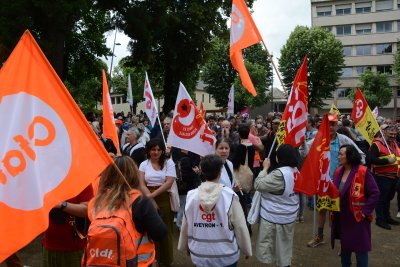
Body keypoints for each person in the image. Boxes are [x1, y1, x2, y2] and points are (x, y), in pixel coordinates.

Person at [88, 156, 167, 267]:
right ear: (134, 175)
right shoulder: (140, 202)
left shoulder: (95, 203)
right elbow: (160, 233)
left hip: (101, 262)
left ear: (107, 175)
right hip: (137, 263)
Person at [178, 154, 252, 267]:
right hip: (226, 254)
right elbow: (240, 225)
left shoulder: (191, 196)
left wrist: (185, 245)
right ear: (220, 172)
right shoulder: (229, 195)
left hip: (200, 253)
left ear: (201, 171)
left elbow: (186, 223)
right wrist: (247, 249)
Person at [305, 114, 365, 247]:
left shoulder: (343, 139)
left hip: (341, 183)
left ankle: (344, 240)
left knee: (341, 212)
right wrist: (301, 143)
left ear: (337, 126)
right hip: (324, 183)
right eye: (328, 125)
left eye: (333, 125)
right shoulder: (318, 139)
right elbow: (304, 152)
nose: (330, 127)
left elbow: (360, 154)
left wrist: (353, 169)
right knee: (322, 210)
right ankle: (320, 237)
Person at [331, 145, 379, 267]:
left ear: (350, 156)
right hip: (342, 218)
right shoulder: (338, 171)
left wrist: (365, 212)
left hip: (358, 218)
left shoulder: (363, 171)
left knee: (360, 250)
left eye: (341, 154)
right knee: (345, 250)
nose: (339, 156)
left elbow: (375, 193)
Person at [254, 144, 300, 267]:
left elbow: (258, 184)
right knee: (285, 245)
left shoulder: (280, 174)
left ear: (279, 157)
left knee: (273, 247)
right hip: (288, 214)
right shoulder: (295, 170)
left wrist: (264, 169)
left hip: (275, 216)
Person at [139, 138, 176, 267]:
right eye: (153, 149)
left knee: (166, 229)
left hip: (164, 198)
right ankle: (153, 259)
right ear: (148, 150)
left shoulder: (169, 163)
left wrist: (152, 195)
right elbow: (141, 183)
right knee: (150, 230)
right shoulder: (144, 164)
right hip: (147, 198)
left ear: (162, 150)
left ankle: (166, 260)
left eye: (159, 149)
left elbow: (169, 182)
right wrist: (150, 198)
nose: (156, 152)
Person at [42, 185, 93, 267]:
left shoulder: (81, 179)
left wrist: (61, 205)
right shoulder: (48, 180)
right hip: (49, 244)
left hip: (73, 247)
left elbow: (86, 209)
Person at [370, 124, 400, 229]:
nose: (393, 136)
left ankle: (387, 217)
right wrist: (387, 161)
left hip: (394, 177)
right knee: (381, 199)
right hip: (382, 177)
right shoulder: (377, 144)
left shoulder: (394, 143)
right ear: (384, 132)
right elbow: (370, 160)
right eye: (391, 133)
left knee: (388, 198)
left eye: (395, 134)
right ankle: (380, 219)